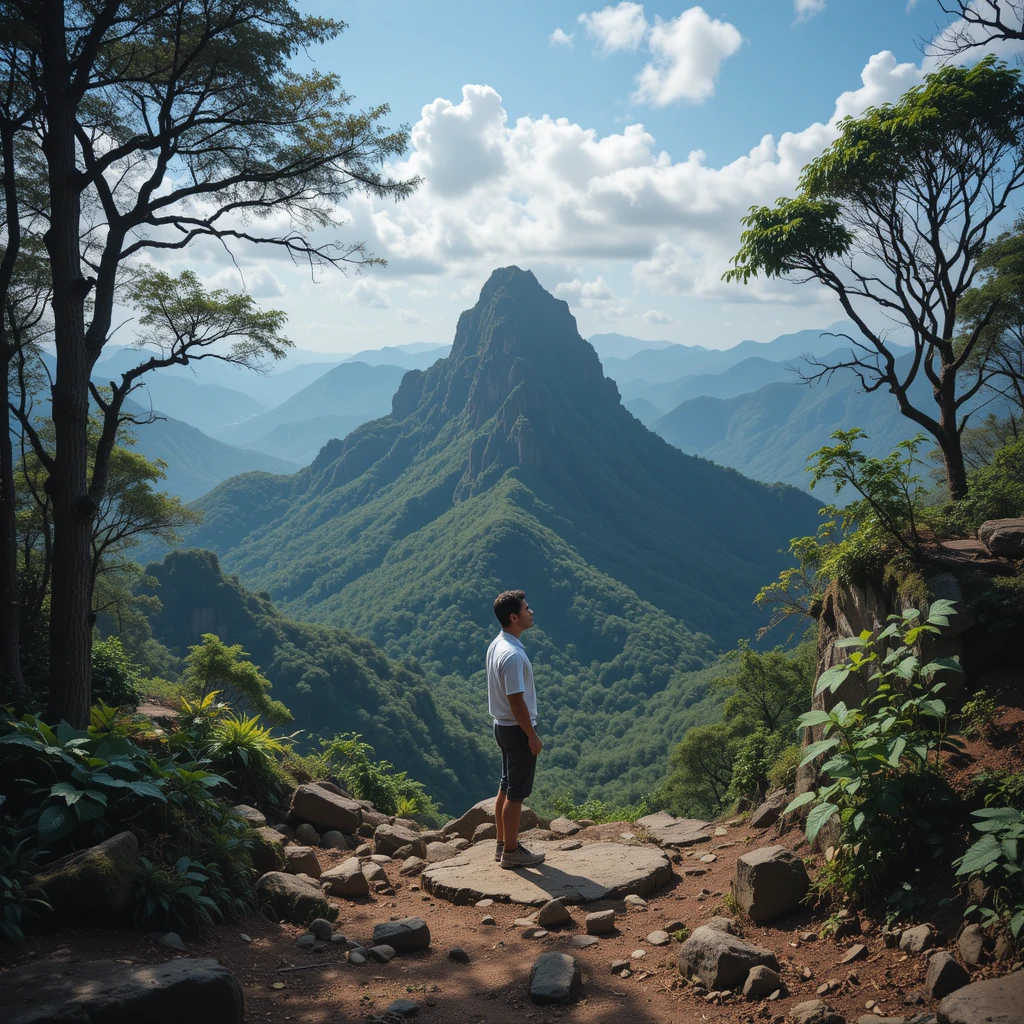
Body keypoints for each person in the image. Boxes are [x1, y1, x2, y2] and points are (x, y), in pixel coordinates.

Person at [487, 589, 545, 869]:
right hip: (516, 729)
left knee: (506, 786)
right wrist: (531, 736)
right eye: (526, 608)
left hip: (502, 727)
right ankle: (511, 851)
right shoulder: (512, 655)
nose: (531, 611)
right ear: (513, 617)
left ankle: (501, 844)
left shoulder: (498, 644)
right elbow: (516, 701)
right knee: (516, 794)